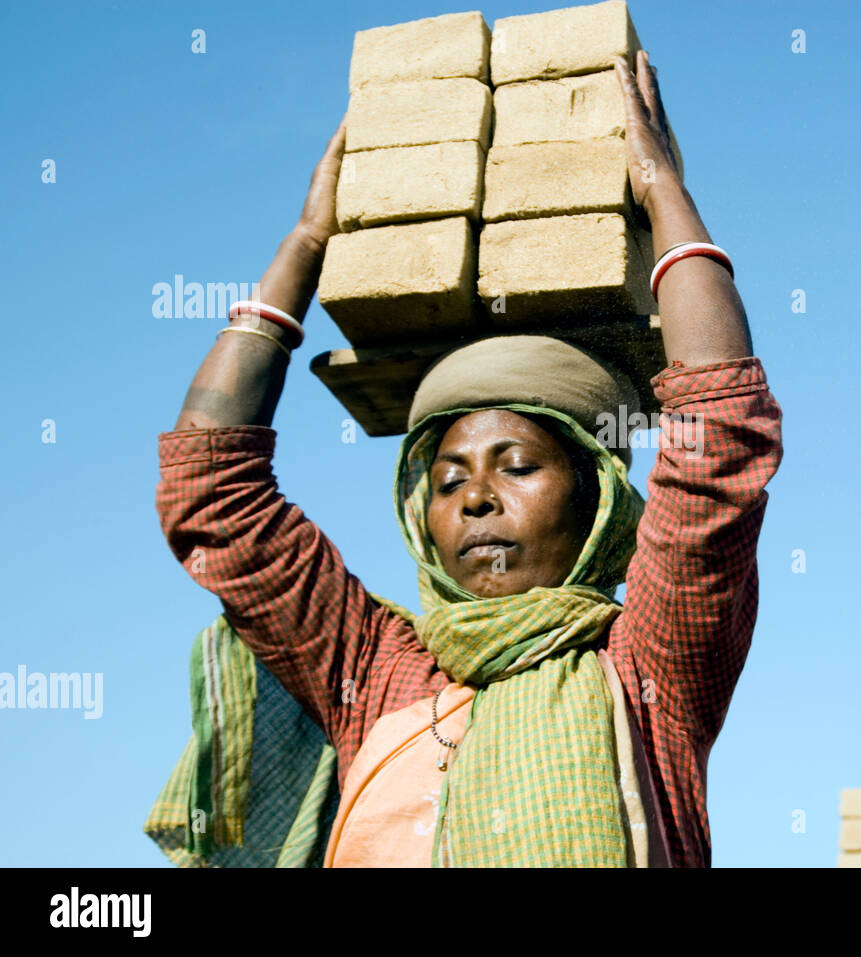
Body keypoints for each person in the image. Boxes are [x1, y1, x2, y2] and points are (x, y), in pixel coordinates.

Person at [147, 50, 782, 867]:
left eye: (517, 466)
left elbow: (717, 437)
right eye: (446, 481)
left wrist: (663, 193)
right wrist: (308, 244)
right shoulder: (378, 678)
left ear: (596, 497)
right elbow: (213, 493)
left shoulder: (650, 670)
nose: (476, 499)